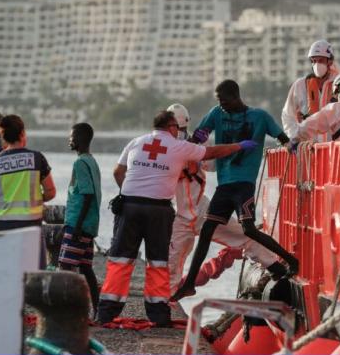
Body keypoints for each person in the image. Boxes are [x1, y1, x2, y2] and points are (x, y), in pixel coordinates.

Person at [97, 110, 253, 326]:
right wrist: (239, 146)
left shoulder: (136, 142)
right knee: (158, 261)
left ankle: (105, 313)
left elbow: (117, 171)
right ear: (172, 128)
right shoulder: (177, 146)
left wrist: (130, 191)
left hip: (129, 206)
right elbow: (210, 152)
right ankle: (158, 314)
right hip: (158, 210)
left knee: (120, 259)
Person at [171, 80, 298, 302]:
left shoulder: (259, 117)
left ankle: (286, 262)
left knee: (248, 231)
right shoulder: (213, 117)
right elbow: (200, 137)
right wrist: (187, 147)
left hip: (235, 190)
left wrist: (292, 148)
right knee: (195, 241)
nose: (221, 105)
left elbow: (283, 139)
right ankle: (184, 286)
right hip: (213, 194)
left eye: (223, 100)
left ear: (234, 97)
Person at [0, 115, 56, 267]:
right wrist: (36, 198)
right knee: (33, 273)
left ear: (2, 136)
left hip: (1, 226)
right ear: (22, 133)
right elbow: (50, 191)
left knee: (3, 272)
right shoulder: (37, 158)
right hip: (30, 224)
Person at [58, 123, 101, 318]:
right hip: (90, 225)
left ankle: (67, 311)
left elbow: (88, 195)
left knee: (66, 267)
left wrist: (77, 227)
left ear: (79, 140)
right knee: (85, 268)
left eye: (71, 136)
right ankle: (98, 309)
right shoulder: (91, 161)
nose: (69, 140)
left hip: (78, 224)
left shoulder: (80, 163)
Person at [281, 40, 340, 140]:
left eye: (320, 60)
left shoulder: (339, 84)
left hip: (332, 148)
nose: (316, 64)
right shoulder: (300, 85)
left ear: (329, 61)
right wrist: (295, 136)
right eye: (313, 61)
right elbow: (287, 115)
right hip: (308, 149)